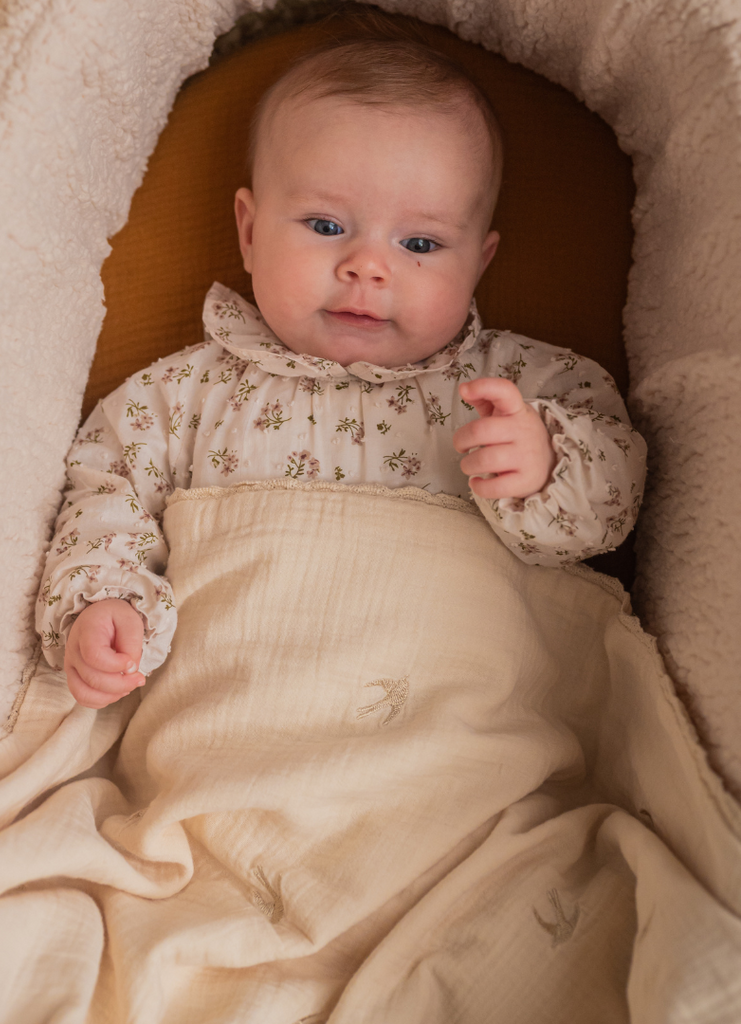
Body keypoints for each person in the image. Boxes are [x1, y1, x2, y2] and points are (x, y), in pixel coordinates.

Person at [37, 36, 647, 710]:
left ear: (480, 260)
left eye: (419, 243)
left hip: (463, 722)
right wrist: (104, 605)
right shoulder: (181, 397)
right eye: (325, 225)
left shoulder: (527, 390)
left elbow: (614, 504)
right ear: (249, 231)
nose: (367, 266)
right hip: (239, 717)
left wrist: (548, 465)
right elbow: (102, 491)